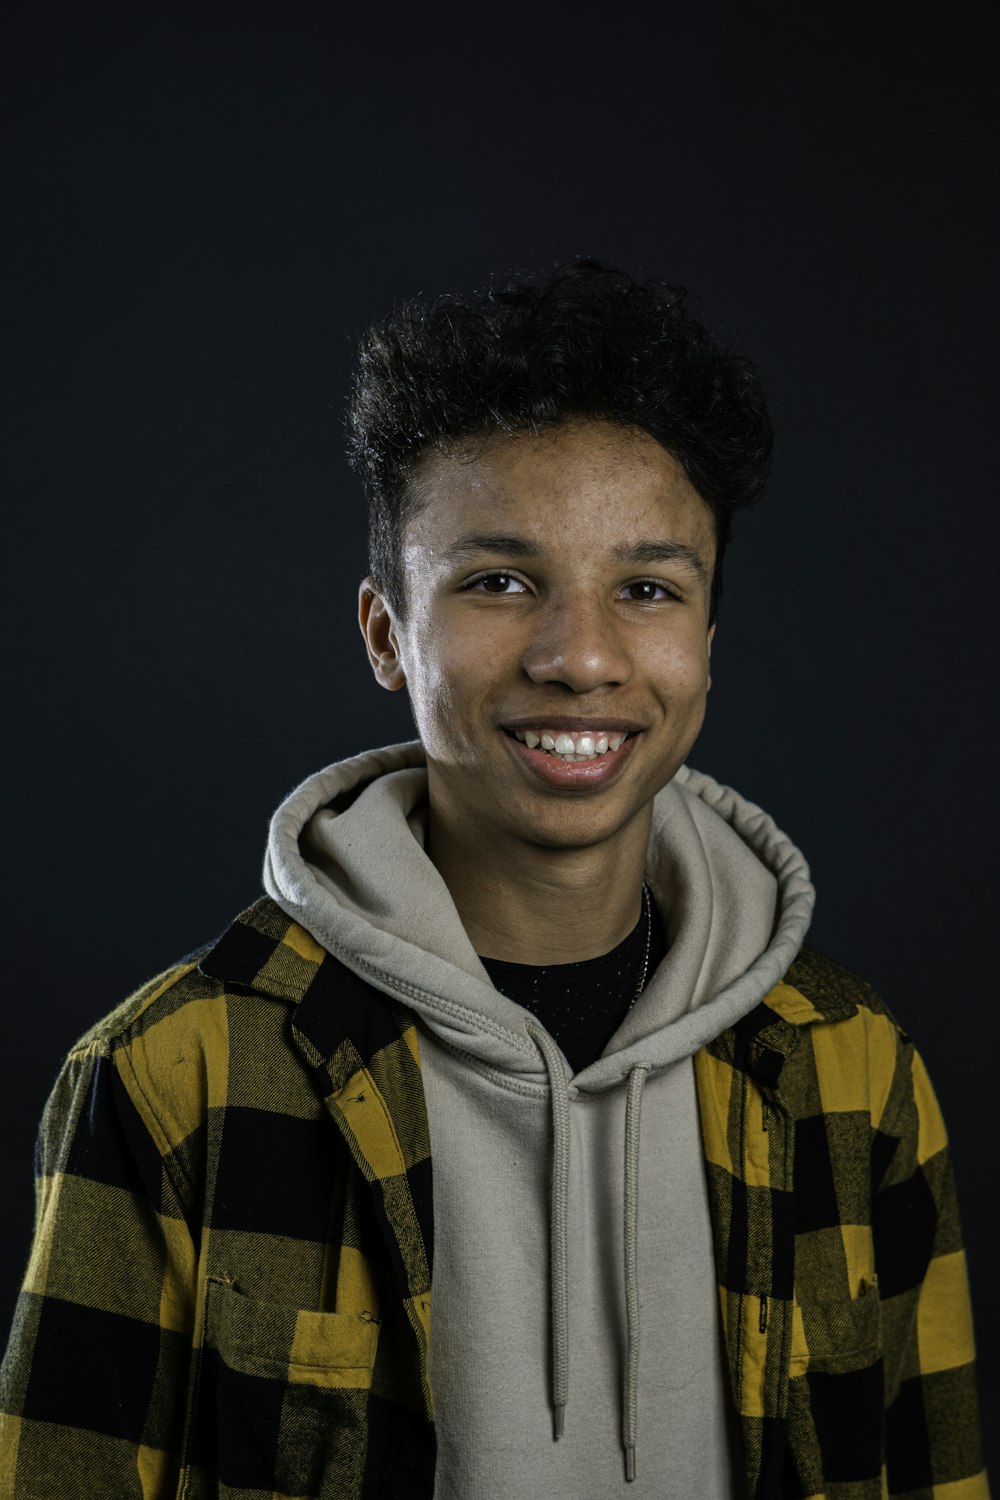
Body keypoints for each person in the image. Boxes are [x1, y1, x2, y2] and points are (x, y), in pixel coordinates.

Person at [0, 261, 987, 1500]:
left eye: (645, 589)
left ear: (708, 641)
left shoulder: (855, 1070)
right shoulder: (172, 1080)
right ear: (384, 634)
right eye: (497, 582)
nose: (580, 657)